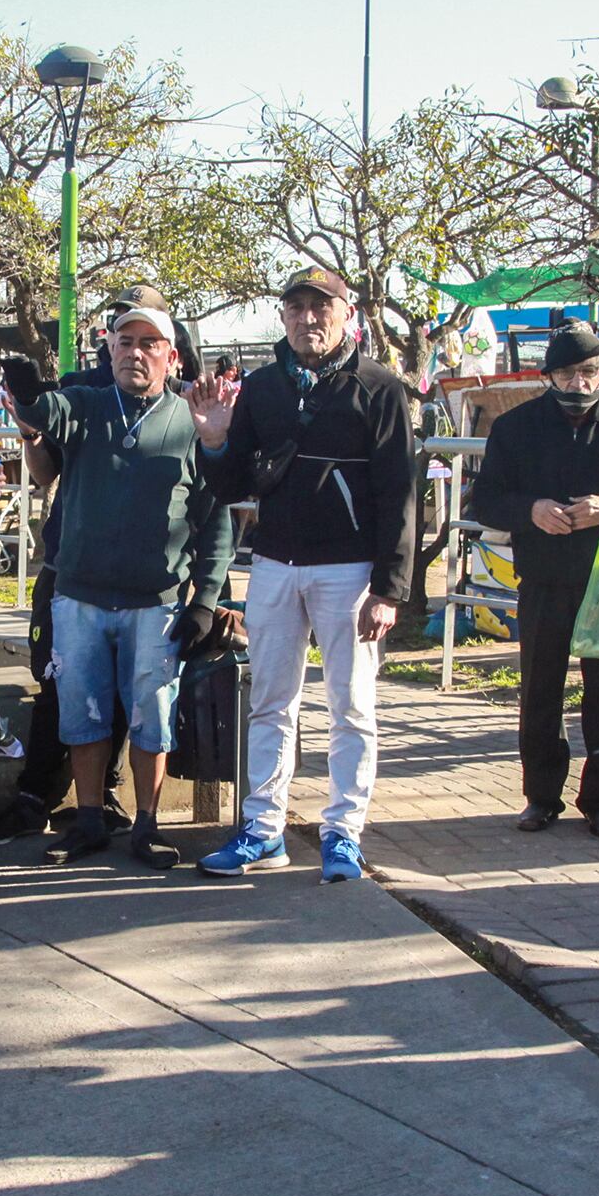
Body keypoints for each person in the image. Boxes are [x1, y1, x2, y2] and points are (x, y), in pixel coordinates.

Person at [185, 265, 417, 883]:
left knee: (352, 707)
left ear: (348, 316)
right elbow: (233, 482)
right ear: (282, 315)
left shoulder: (381, 388)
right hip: (275, 564)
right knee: (269, 703)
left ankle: (343, 832)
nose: (309, 319)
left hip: (351, 569)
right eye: (297, 308)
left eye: (322, 308)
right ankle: (263, 830)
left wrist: (390, 588)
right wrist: (212, 440)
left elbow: (399, 496)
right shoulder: (262, 388)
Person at [6, 301, 232, 871]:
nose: (136, 353)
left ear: (171, 356)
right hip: (78, 596)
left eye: (149, 344)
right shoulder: (85, 403)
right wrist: (28, 398)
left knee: (152, 719)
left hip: (154, 604)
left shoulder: (191, 420)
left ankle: (146, 827)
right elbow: (44, 411)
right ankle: (86, 821)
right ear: (109, 350)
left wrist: (205, 601)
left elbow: (218, 517)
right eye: (124, 342)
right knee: (82, 714)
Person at [465, 324, 599, 839]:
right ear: (549, 377)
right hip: (542, 576)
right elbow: (486, 500)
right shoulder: (517, 426)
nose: (579, 383)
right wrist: (531, 510)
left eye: (588, 372)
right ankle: (541, 797)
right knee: (540, 690)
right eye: (567, 373)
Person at [0, 295, 141, 848]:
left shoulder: (172, 400)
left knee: (122, 689)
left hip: (139, 577)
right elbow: (45, 476)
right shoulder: (76, 391)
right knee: (55, 679)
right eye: (117, 328)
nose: (125, 342)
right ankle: (33, 798)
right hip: (68, 567)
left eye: (140, 332)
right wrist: (31, 430)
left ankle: (105, 797)